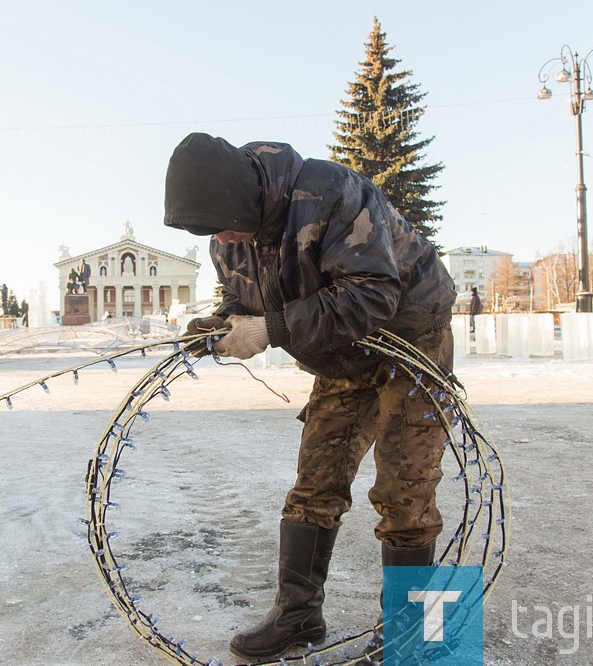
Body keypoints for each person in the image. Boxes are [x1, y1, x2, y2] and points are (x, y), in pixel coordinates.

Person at [164, 133, 456, 661]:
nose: (223, 237)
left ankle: (418, 637)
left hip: (410, 341)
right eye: (211, 232)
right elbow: (244, 298)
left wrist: (270, 329)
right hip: (339, 354)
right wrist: (225, 324)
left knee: (404, 487)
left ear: (243, 196)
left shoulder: (332, 192)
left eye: (225, 223)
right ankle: (298, 616)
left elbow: (373, 292)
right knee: (315, 482)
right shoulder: (227, 236)